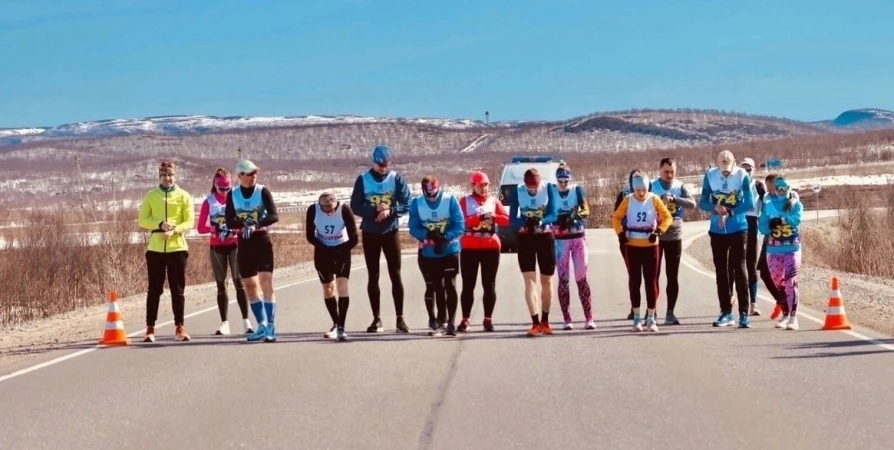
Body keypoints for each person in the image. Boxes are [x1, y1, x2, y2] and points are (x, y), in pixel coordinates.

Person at [350, 145, 412, 333]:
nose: (383, 168)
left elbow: (407, 203)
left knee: (396, 274)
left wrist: (390, 211)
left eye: (385, 165)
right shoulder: (363, 179)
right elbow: (355, 206)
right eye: (380, 165)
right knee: (373, 275)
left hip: (390, 231)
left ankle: (400, 318)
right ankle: (376, 318)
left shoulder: (396, 179)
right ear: (373, 161)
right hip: (370, 232)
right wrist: (373, 211)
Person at [137, 161, 195, 342]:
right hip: (155, 248)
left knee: (177, 289)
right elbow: (142, 220)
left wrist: (175, 229)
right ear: (159, 177)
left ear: (175, 176)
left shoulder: (184, 195)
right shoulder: (151, 196)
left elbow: (190, 221)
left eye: (170, 175)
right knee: (154, 289)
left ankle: (180, 326)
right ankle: (150, 328)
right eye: (164, 175)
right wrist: (159, 224)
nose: (167, 178)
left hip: (177, 247)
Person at [699, 150, 755, 328]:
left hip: (738, 228)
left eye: (728, 169)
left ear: (734, 164)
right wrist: (715, 207)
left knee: (740, 269)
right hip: (717, 230)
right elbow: (702, 202)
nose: (725, 172)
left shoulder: (742, 175)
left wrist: (730, 211)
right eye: (722, 168)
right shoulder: (709, 176)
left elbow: (749, 203)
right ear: (717, 165)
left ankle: (744, 314)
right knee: (721, 272)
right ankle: (725, 312)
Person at [225, 160, 280, 342]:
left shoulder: (262, 191)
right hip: (244, 242)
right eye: (249, 173)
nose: (253, 176)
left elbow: (273, 215)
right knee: (249, 285)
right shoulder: (232, 194)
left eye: (255, 172)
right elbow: (229, 220)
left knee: (266, 283)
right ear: (240, 175)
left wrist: (256, 224)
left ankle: (271, 326)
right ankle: (262, 324)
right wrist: (242, 225)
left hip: (262, 241)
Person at [613, 173, 673, 332]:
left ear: (648, 188)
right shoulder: (628, 200)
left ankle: (651, 318)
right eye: (638, 189)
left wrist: (658, 232)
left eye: (644, 189)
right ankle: (637, 317)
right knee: (635, 281)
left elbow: (667, 217)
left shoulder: (654, 199)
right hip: (632, 245)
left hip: (651, 245)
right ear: (633, 188)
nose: (641, 193)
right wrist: (620, 233)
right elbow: (616, 218)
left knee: (651, 281)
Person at [197, 168, 252, 336]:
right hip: (217, 247)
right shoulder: (209, 201)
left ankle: (246, 322)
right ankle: (224, 323)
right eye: (222, 188)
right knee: (221, 284)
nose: (225, 191)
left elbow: (245, 220)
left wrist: (237, 229)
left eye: (228, 188)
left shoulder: (236, 198)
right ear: (215, 185)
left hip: (235, 244)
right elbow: (200, 227)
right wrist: (215, 228)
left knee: (239, 282)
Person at [408, 176, 465, 336]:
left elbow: (460, 225)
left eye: (434, 194)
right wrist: (428, 234)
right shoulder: (417, 203)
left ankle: (452, 323)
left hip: (449, 249)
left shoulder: (450, 200)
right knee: (437, 287)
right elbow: (413, 227)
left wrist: (445, 237)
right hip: (430, 252)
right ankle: (441, 321)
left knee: (451, 285)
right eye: (429, 195)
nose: (432, 198)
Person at [457, 170, 510, 332]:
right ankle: (465, 319)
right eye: (481, 186)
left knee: (489, 284)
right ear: (473, 185)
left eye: (486, 185)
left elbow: (508, 220)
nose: (484, 189)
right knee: (468, 285)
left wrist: (494, 217)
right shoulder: (465, 201)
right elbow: (459, 221)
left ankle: (488, 318)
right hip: (470, 247)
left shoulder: (494, 201)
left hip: (490, 247)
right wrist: (478, 218)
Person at [509, 168, 559, 337]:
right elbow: (512, 219)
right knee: (529, 282)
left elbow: (554, 213)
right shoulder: (518, 191)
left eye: (535, 187)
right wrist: (525, 222)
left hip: (545, 237)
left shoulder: (548, 188)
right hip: (526, 238)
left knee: (547, 281)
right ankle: (535, 323)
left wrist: (541, 220)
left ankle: (545, 321)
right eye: (530, 188)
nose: (533, 191)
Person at [306, 191, 359, 341]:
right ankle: (335, 323)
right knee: (328, 287)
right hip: (323, 251)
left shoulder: (344, 209)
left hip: (341, 249)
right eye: (326, 210)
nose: (329, 213)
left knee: (342, 285)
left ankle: (341, 326)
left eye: (332, 210)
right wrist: (324, 248)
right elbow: (310, 235)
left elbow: (354, 237)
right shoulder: (313, 210)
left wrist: (339, 249)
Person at [649, 157, 697, 325]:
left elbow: (692, 203)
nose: (669, 175)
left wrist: (675, 199)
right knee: (653, 275)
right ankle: (652, 312)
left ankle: (670, 312)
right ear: (660, 171)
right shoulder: (652, 186)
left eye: (672, 172)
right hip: (656, 235)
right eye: (666, 172)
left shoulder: (680, 186)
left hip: (674, 235)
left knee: (672, 275)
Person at [553, 162, 595, 330]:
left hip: (578, 238)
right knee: (563, 279)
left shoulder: (577, 190)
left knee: (581, 276)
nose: (563, 184)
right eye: (560, 181)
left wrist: (572, 216)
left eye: (566, 181)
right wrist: (558, 220)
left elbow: (586, 209)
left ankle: (589, 317)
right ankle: (567, 318)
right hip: (561, 240)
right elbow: (547, 213)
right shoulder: (552, 191)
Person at [758, 176, 803, 330]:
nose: (782, 191)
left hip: (792, 247)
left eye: (785, 188)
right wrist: (769, 225)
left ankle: (793, 317)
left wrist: (782, 220)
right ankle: (785, 312)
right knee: (779, 282)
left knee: (791, 281)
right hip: (773, 249)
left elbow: (797, 219)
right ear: (775, 189)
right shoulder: (768, 204)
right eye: (779, 188)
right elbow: (762, 226)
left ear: (789, 189)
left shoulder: (795, 204)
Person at [733, 157, 764, 316]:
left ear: (754, 170)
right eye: (743, 169)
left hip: (752, 224)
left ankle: (753, 303)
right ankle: (732, 295)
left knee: (751, 264)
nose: (746, 171)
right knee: (735, 263)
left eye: (749, 169)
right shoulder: (735, 185)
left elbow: (767, 204)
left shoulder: (758, 185)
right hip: (737, 223)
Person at [615, 169, 642, 320]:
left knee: (650, 277)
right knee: (633, 275)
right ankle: (634, 308)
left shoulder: (649, 194)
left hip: (646, 240)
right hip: (627, 240)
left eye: (640, 178)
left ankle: (652, 311)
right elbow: (616, 217)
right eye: (634, 178)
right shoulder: (624, 194)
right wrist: (621, 233)